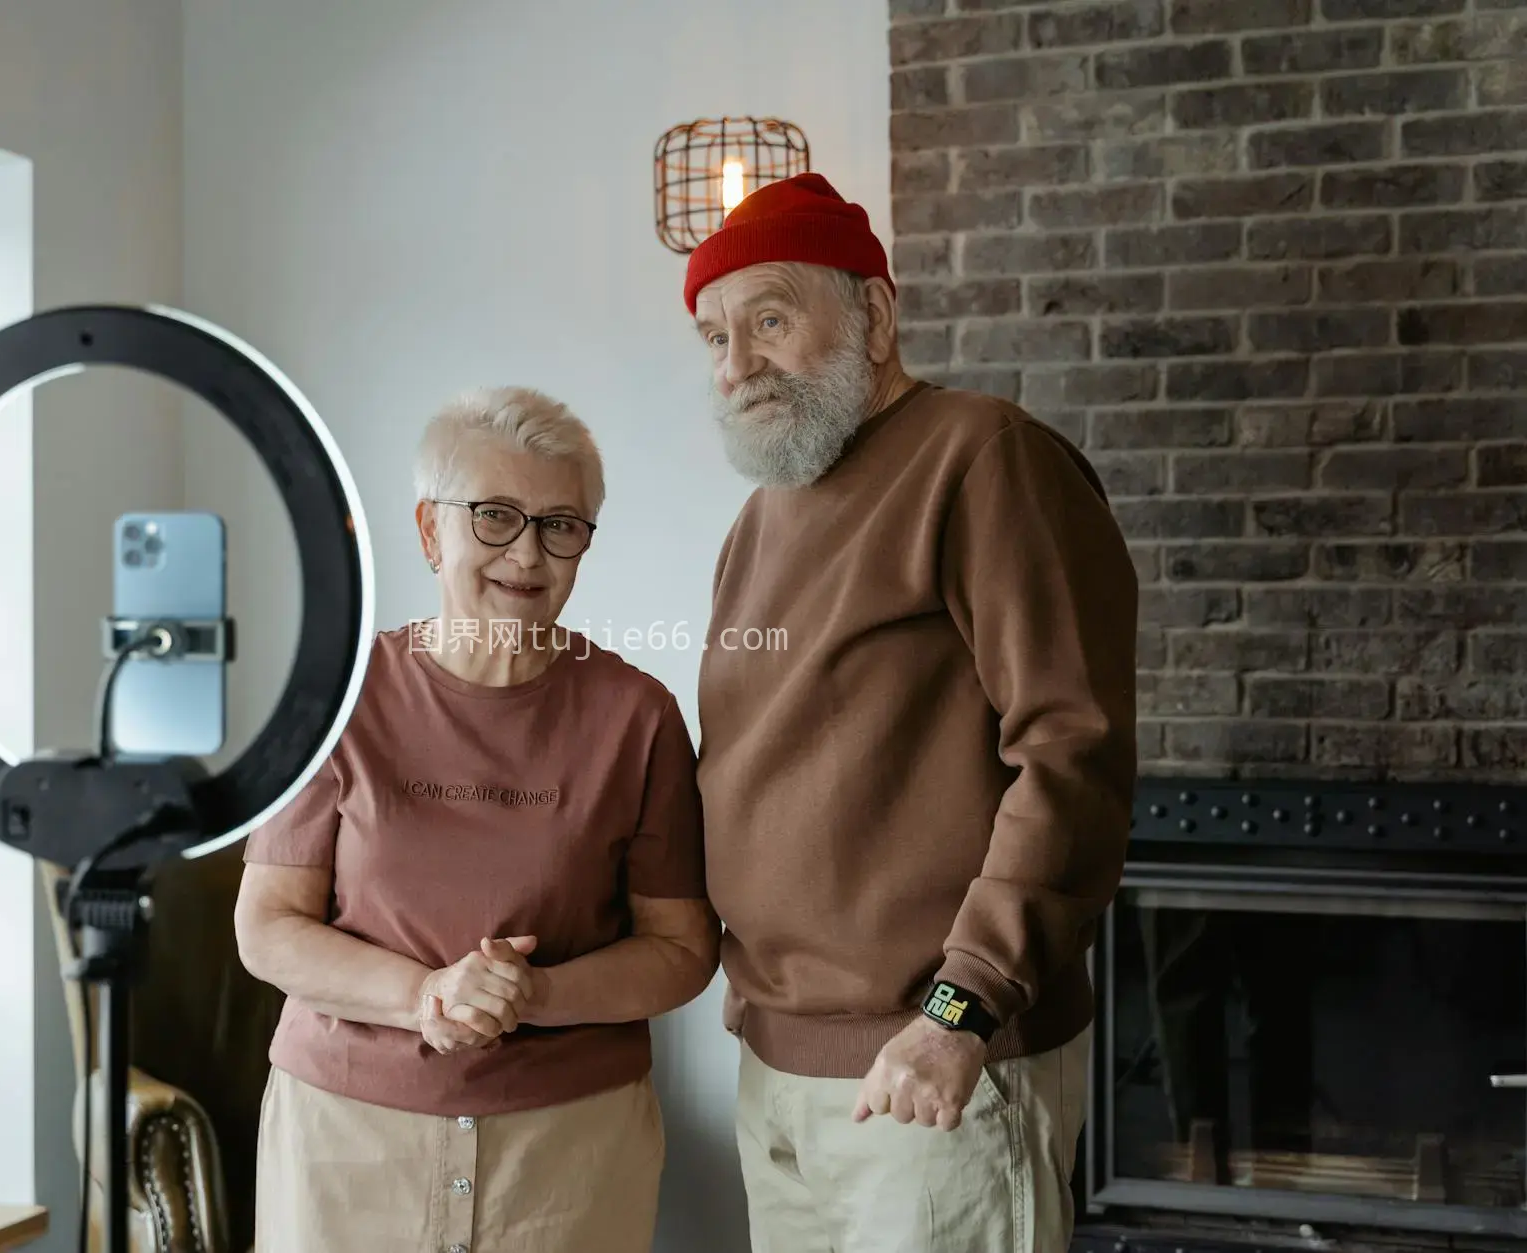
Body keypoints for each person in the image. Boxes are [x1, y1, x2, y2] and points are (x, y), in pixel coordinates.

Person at [686, 172, 1139, 1250]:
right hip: (777, 1073)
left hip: (937, 1068)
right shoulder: (760, 518)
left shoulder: (983, 456)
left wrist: (959, 1009)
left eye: (770, 318)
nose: (736, 363)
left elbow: (1069, 751)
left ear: (875, 316)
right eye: (712, 336)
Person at [233, 385, 719, 1253]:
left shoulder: (636, 717)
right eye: (494, 516)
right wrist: (423, 993)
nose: (527, 553)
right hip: (347, 1140)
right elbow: (267, 927)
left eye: (561, 524)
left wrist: (537, 995)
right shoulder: (339, 700)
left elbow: (683, 949)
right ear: (430, 531)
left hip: (568, 1150)